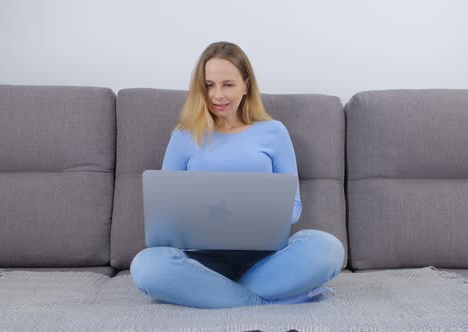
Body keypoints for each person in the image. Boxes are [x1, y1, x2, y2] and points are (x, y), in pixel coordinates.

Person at [130, 41, 344, 309]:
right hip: (200, 263)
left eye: (227, 84)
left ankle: (215, 296)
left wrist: (253, 210)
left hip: (265, 260)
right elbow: (165, 212)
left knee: (328, 248)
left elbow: (295, 208)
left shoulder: (274, 132)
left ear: (246, 85)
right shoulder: (184, 135)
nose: (217, 95)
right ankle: (261, 301)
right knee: (147, 266)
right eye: (209, 85)